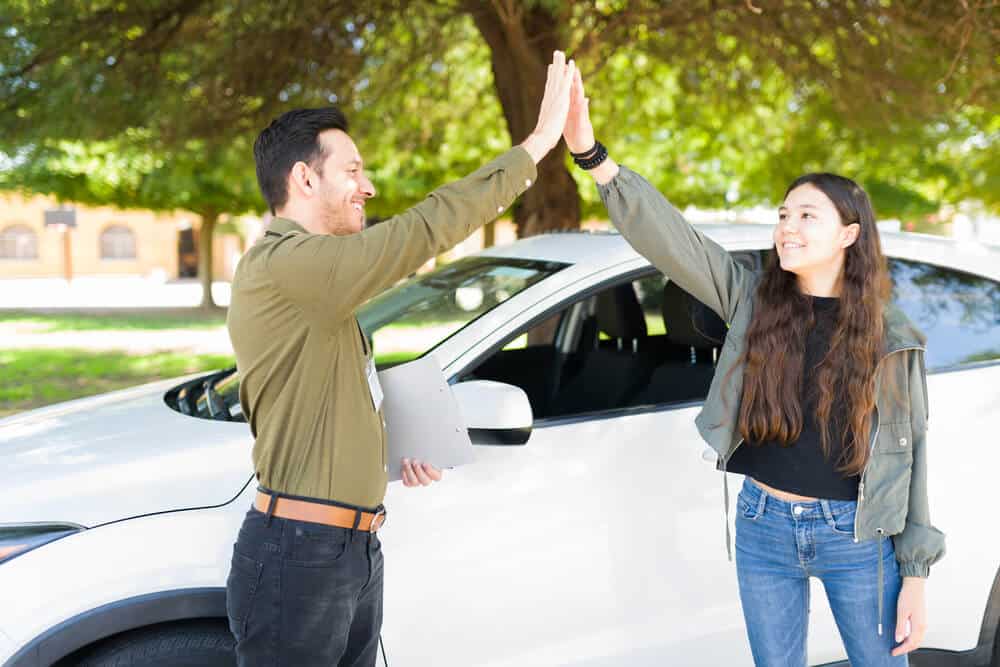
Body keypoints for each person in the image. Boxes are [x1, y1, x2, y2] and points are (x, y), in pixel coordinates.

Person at [561, 68, 945, 666]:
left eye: (807, 216)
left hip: (859, 537)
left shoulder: (891, 339)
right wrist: (594, 156)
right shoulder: (751, 301)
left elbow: (911, 450)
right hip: (762, 524)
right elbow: (671, 241)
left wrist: (916, 573)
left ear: (849, 234)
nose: (787, 227)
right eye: (784, 214)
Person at [224, 52, 577, 666]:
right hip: (301, 556)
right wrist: (539, 144)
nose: (369, 187)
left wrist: (390, 453)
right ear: (305, 180)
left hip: (348, 549)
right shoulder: (286, 264)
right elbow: (423, 230)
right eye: (354, 171)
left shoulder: (317, 278)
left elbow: (324, 398)